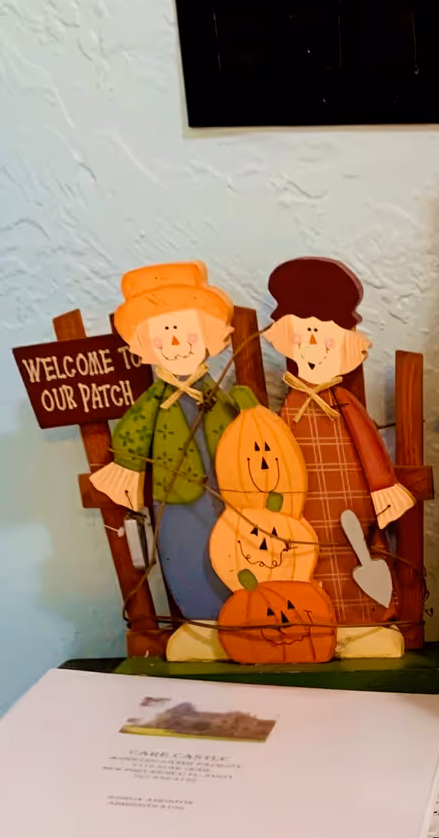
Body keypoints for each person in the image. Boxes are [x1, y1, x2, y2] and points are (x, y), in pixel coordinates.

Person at [90, 263, 258, 652]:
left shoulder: (218, 396)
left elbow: (244, 424)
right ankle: (202, 624)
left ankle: (243, 616)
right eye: (164, 334)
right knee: (185, 552)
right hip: (176, 498)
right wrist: (127, 469)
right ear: (146, 344)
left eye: (184, 332)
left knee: (235, 548)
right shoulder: (153, 403)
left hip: (228, 490)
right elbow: (133, 431)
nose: (176, 342)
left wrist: (248, 410)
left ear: (207, 336)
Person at [264, 257, 417, 659]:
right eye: (304, 338)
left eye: (325, 339)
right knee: (310, 559)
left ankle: (364, 621)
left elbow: (368, 445)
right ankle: (316, 622)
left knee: (357, 551)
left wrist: (383, 488)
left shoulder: (345, 404)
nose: (313, 347)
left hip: (351, 500)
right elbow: (272, 455)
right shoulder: (287, 411)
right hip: (304, 506)